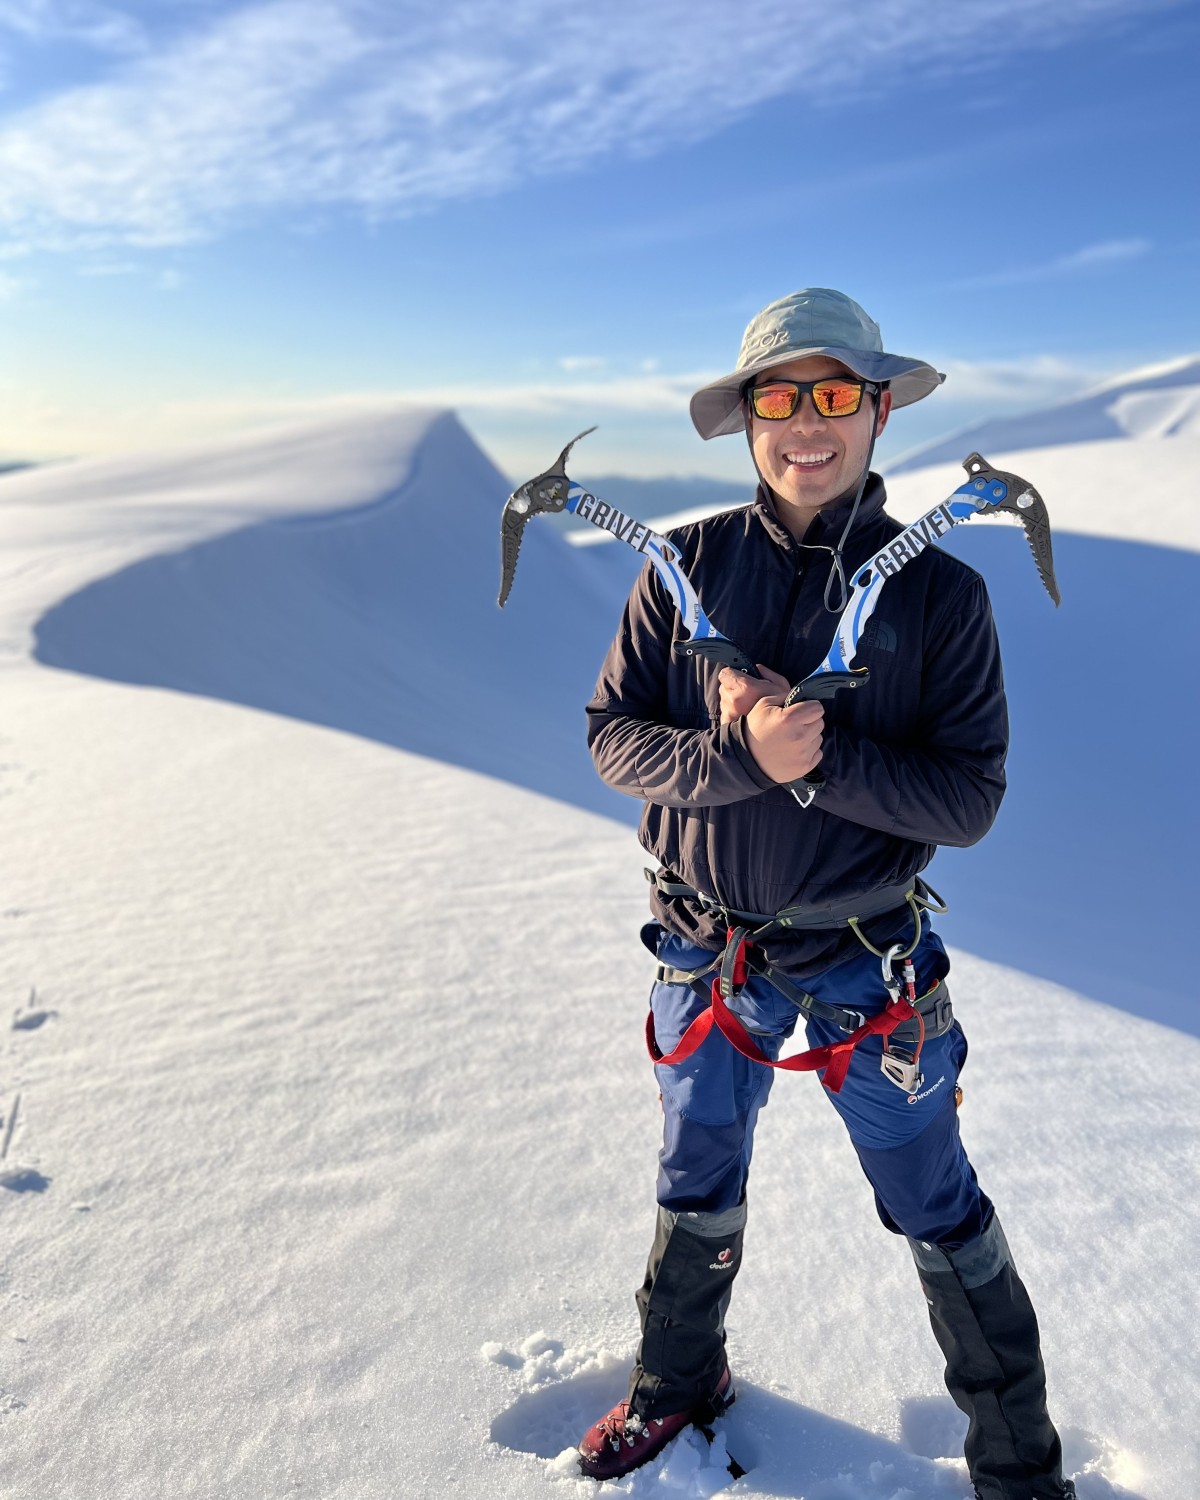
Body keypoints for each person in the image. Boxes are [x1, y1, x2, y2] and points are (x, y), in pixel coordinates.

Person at [576, 288, 1075, 1500]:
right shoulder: (686, 566)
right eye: (781, 397)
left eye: (837, 393)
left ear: (880, 409)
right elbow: (612, 736)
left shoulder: (941, 596)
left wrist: (820, 761)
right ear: (749, 419)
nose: (809, 423)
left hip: (868, 964)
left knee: (932, 1198)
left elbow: (968, 799)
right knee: (696, 1171)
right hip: (704, 948)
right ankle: (678, 1380)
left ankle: (1019, 1466)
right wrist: (740, 756)